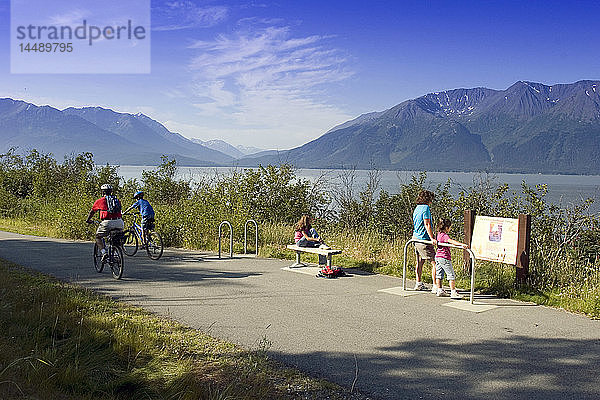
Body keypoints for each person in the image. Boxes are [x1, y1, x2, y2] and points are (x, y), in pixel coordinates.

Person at [86, 184, 124, 260]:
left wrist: (88, 220)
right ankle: (116, 253)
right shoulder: (117, 200)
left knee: (98, 237)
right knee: (116, 239)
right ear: (111, 192)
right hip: (119, 222)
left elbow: (92, 212)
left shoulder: (100, 201)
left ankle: (104, 252)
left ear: (102, 192)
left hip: (107, 222)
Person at [434, 218, 467, 299]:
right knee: (451, 275)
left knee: (439, 274)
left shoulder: (438, 234)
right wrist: (461, 244)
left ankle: (439, 290)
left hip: (438, 257)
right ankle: (453, 292)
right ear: (446, 228)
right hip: (444, 257)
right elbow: (450, 241)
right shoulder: (444, 236)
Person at [412, 190, 437, 292]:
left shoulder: (417, 208)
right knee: (435, 262)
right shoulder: (426, 208)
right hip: (423, 239)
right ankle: (436, 285)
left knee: (420, 261)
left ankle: (418, 283)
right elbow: (427, 224)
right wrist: (432, 238)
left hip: (415, 237)